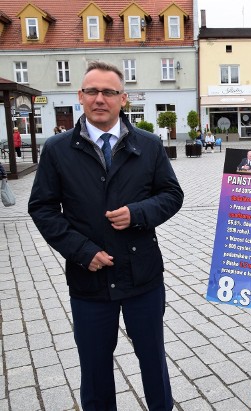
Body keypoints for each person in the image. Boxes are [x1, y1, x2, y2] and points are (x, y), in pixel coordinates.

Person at [28, 61, 183, 411]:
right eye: (92, 91)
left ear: (123, 99)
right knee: (95, 369)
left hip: (142, 275)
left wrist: (138, 213)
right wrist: (82, 251)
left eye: (109, 92)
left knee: (153, 359)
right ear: (80, 97)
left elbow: (172, 195)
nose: (100, 98)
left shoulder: (149, 145)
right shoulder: (57, 149)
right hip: (89, 279)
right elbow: (43, 208)